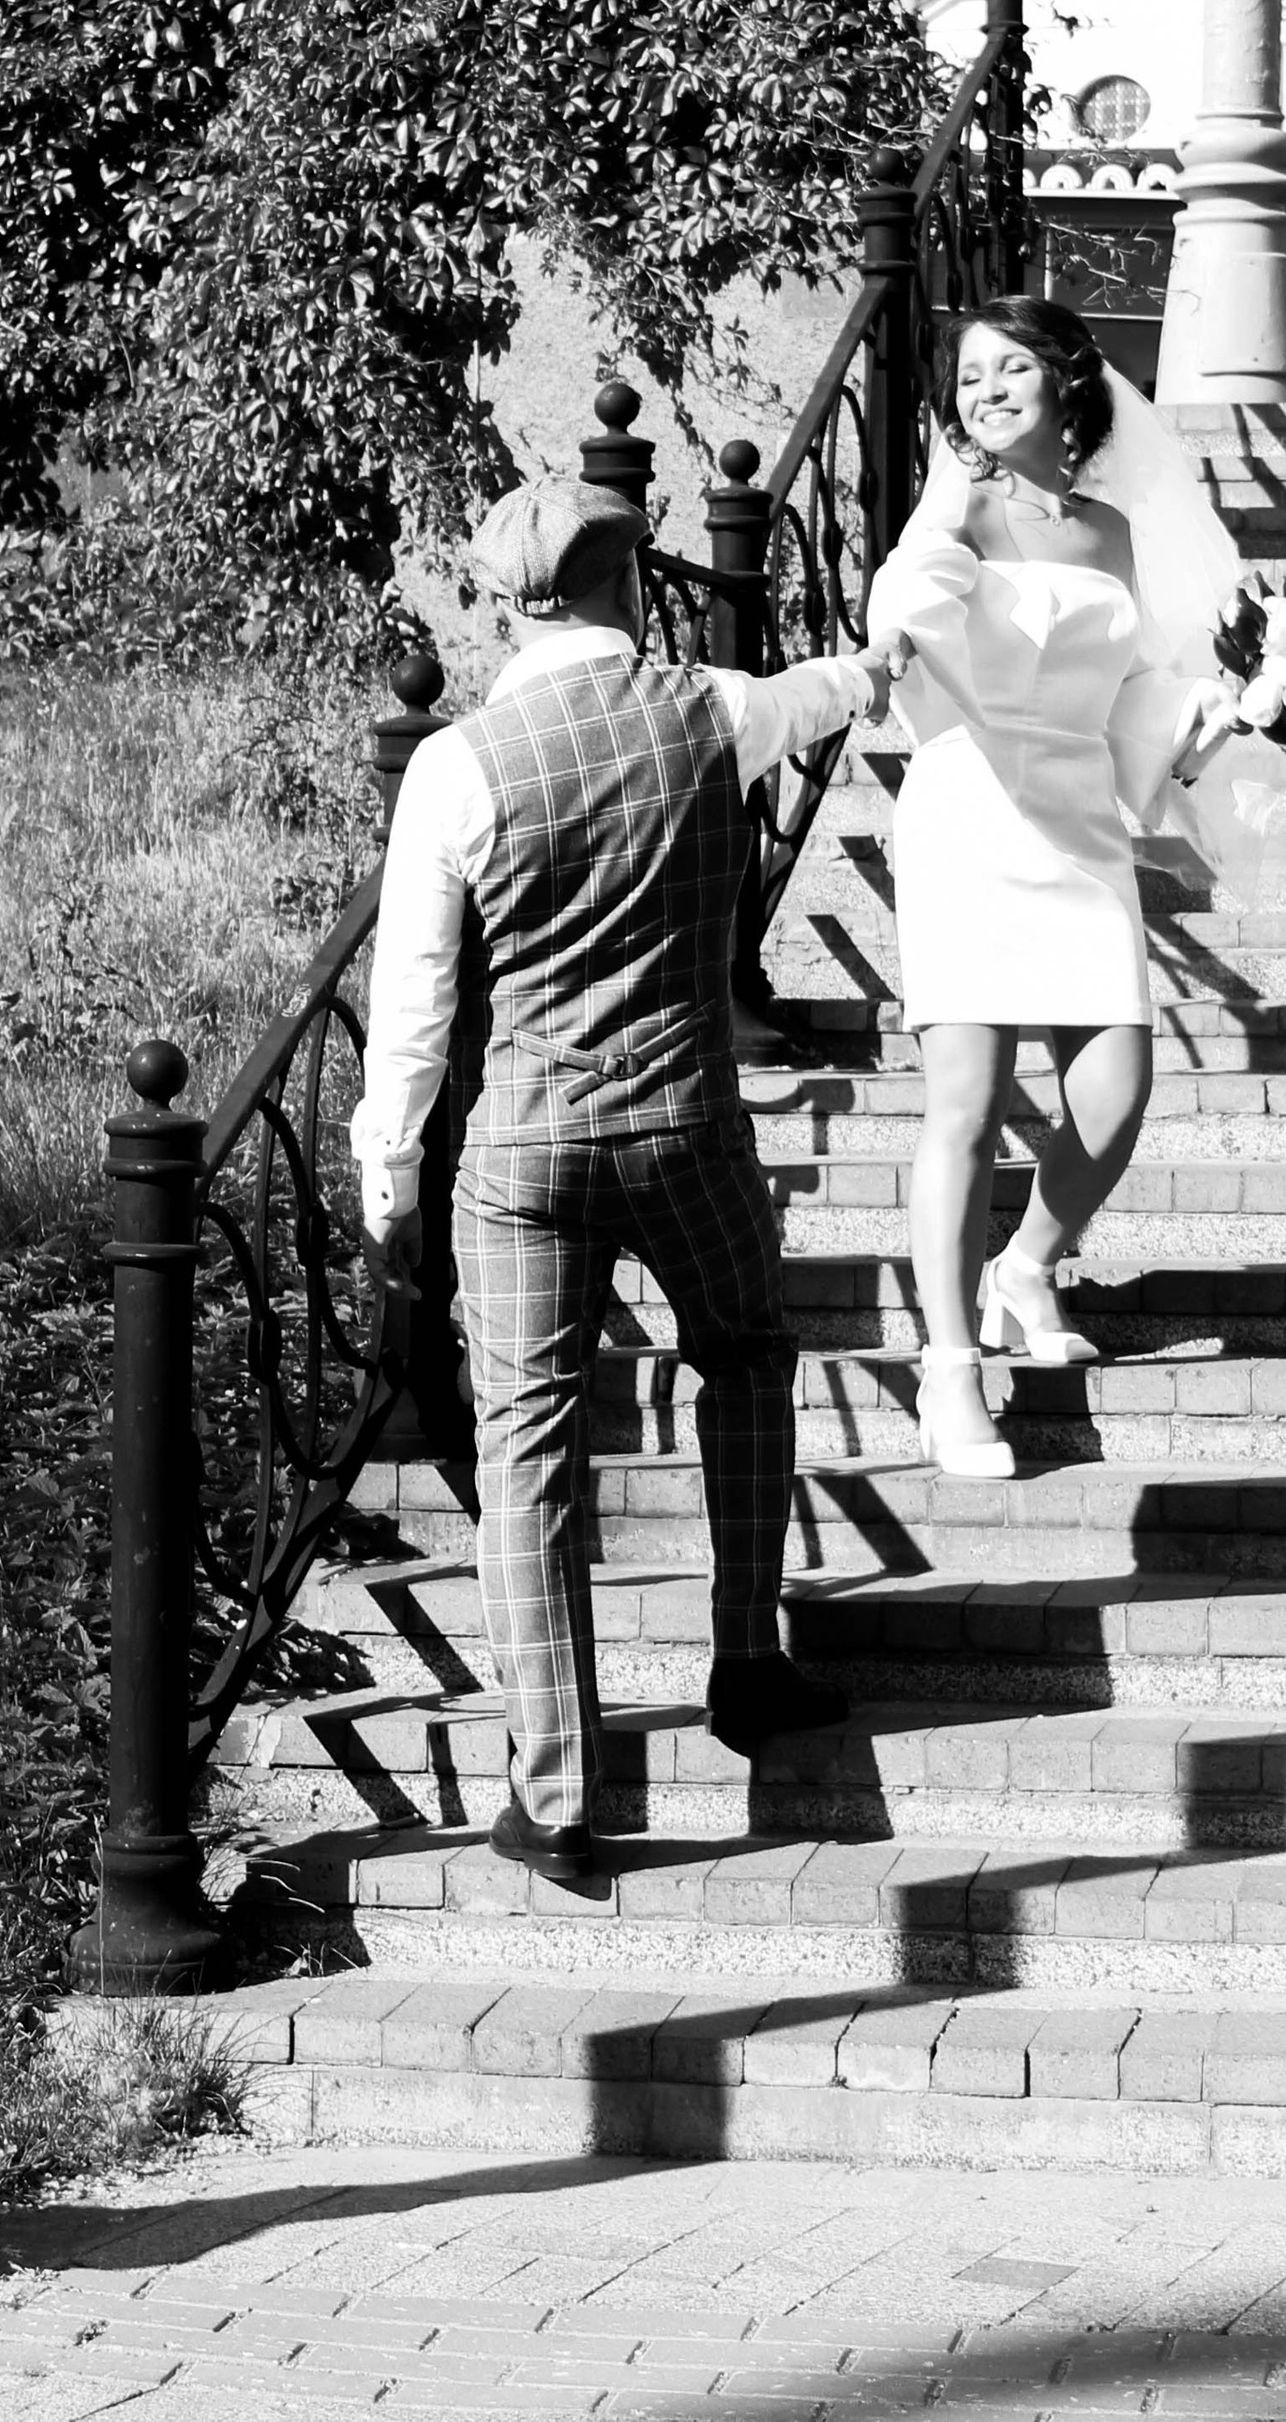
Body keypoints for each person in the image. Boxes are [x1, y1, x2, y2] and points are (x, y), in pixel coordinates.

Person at [349, 476, 894, 1891]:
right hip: (688, 1130)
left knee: (527, 1451)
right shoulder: (711, 707)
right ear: (631, 580)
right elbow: (819, 694)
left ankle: (558, 1792)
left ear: (508, 601)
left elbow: (411, 1005)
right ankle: (745, 1659)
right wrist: (880, 659)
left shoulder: (456, 766)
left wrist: (387, 1178)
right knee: (751, 1355)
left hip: (523, 1154)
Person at [864, 296, 1246, 1479]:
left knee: (1116, 1091)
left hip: (1079, 816)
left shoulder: (1115, 531)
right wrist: (924, 544)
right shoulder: (961, 503)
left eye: (1009, 367)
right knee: (967, 1104)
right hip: (969, 803)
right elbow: (908, 599)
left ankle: (1023, 1264)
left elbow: (1134, 686)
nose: (985, 390)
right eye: (969, 374)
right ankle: (947, 1369)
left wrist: (1216, 715)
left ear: (1064, 380)